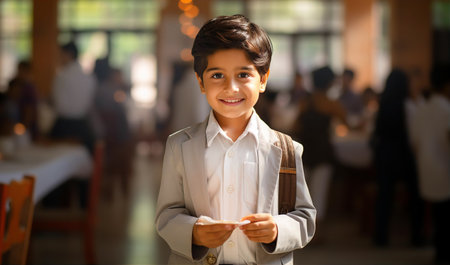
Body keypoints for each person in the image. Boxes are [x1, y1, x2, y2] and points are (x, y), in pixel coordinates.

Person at [155, 15, 316, 265]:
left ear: (263, 79)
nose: (231, 88)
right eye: (217, 75)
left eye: (243, 74)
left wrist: (277, 229)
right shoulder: (179, 145)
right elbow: (167, 215)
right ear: (201, 82)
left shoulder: (286, 149)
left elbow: (305, 217)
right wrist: (193, 231)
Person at [371, 69, 424, 247]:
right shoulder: (408, 105)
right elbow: (414, 135)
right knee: (415, 198)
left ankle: (381, 237)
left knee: (384, 197)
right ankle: (417, 237)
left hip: (385, 155)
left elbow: (377, 132)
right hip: (404, 156)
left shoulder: (383, 104)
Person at [293, 66, 347, 225]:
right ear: (330, 83)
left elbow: (296, 126)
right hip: (323, 152)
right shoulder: (331, 104)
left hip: (306, 151)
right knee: (319, 193)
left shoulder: (305, 102)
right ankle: (317, 231)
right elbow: (347, 123)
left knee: (304, 192)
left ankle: (304, 229)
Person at [410, 63, 450, 264]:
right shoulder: (445, 110)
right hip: (444, 170)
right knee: (444, 219)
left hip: (426, 170)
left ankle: (439, 251)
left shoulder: (422, 109)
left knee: (438, 218)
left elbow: (415, 142)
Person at [50, 41, 96, 153]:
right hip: (83, 127)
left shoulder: (61, 77)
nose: (59, 58)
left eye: (60, 55)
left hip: (63, 128)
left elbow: (57, 103)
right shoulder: (89, 77)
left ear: (68, 55)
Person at [6, 60, 39, 140]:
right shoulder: (16, 84)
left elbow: (30, 111)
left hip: (25, 127)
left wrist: (24, 127)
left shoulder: (29, 88)